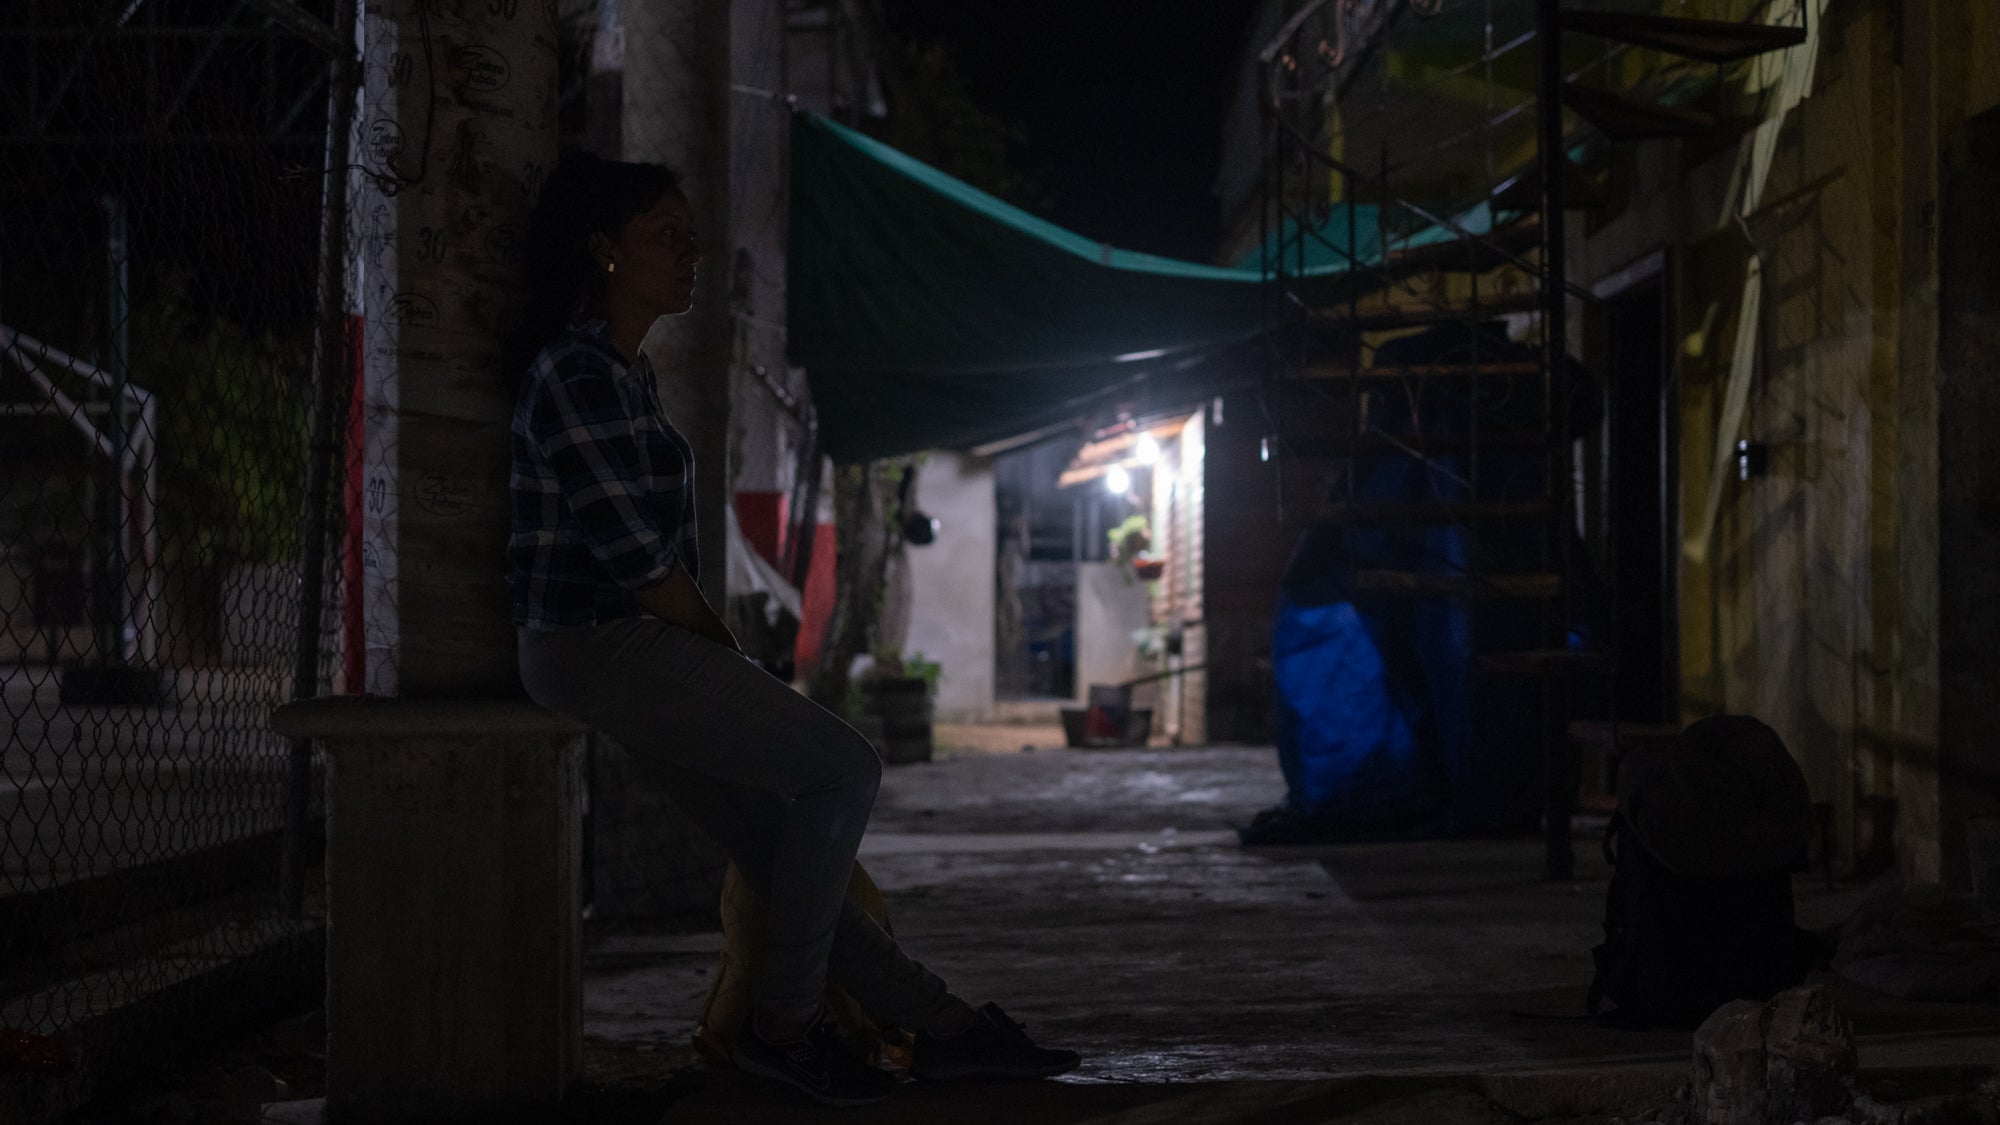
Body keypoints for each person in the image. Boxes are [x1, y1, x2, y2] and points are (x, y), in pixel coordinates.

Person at [507, 152, 1079, 1107]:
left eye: (692, 234)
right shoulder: (576, 372)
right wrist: (722, 654)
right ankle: (787, 1026)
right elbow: (640, 565)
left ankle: (942, 1026)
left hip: (618, 644)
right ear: (603, 252)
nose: (692, 252)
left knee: (782, 851)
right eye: (667, 235)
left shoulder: (623, 372)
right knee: (842, 769)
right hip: (596, 642)